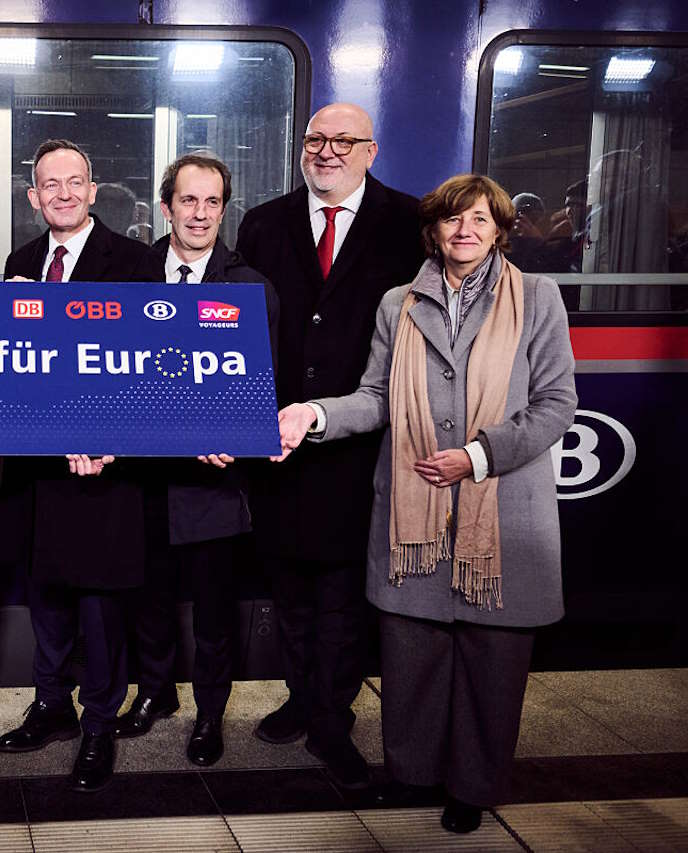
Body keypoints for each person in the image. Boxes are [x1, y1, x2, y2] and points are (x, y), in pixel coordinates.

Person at [273, 173, 576, 833]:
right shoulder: (398, 303)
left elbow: (557, 404)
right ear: (432, 230)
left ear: (499, 227)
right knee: (414, 658)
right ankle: (411, 775)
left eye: (478, 219)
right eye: (450, 220)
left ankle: (473, 786)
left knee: (491, 664)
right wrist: (312, 415)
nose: (463, 230)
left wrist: (479, 455)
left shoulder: (539, 298)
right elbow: (377, 397)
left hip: (500, 511)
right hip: (414, 512)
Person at [237, 102, 424, 789]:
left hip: (359, 438)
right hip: (275, 441)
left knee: (343, 595)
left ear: (370, 150)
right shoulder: (263, 222)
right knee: (287, 586)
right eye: (316, 139)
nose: (327, 151)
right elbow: (239, 327)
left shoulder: (408, 223)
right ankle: (299, 694)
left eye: (343, 140)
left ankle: (333, 716)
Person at [0, 138, 148, 792]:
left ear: (93, 190)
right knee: (47, 592)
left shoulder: (136, 262)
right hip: (40, 464)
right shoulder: (21, 261)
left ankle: (99, 723)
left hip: (102, 466)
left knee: (99, 603)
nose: (62, 193)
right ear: (33, 197)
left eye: (74, 182)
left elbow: (142, 366)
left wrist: (109, 437)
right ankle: (52, 704)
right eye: (49, 184)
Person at [119, 153, 279, 767]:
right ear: (166, 208)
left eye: (213, 202)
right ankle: (155, 692)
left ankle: (210, 711)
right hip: (145, 478)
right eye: (189, 201)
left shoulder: (250, 287)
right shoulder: (131, 280)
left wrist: (237, 435)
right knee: (149, 596)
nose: (200, 214)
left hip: (214, 481)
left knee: (214, 608)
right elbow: (110, 375)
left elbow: (270, 386)